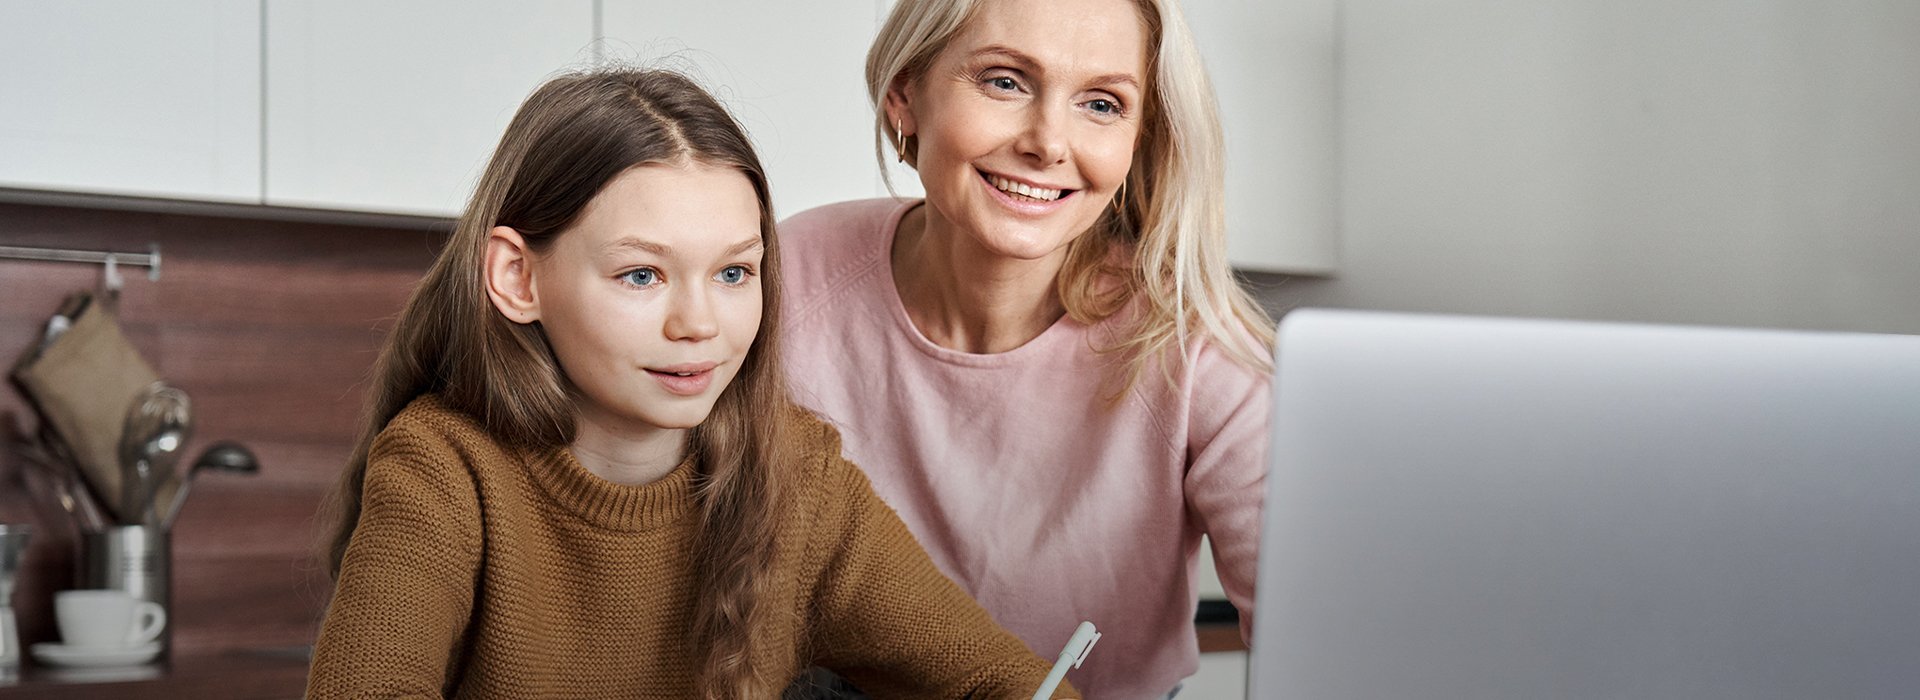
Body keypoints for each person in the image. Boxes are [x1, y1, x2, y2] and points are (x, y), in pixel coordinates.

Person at [306, 67, 1074, 699]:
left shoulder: (802, 480)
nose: (700, 324)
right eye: (642, 274)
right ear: (518, 277)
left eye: (735, 271)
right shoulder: (444, 470)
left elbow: (997, 679)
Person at [777, 0, 1276, 696]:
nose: (1048, 141)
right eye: (1005, 81)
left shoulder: (1199, 350)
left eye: (1101, 104)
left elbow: (1315, 632)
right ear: (905, 96)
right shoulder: (791, 274)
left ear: (1136, 140)